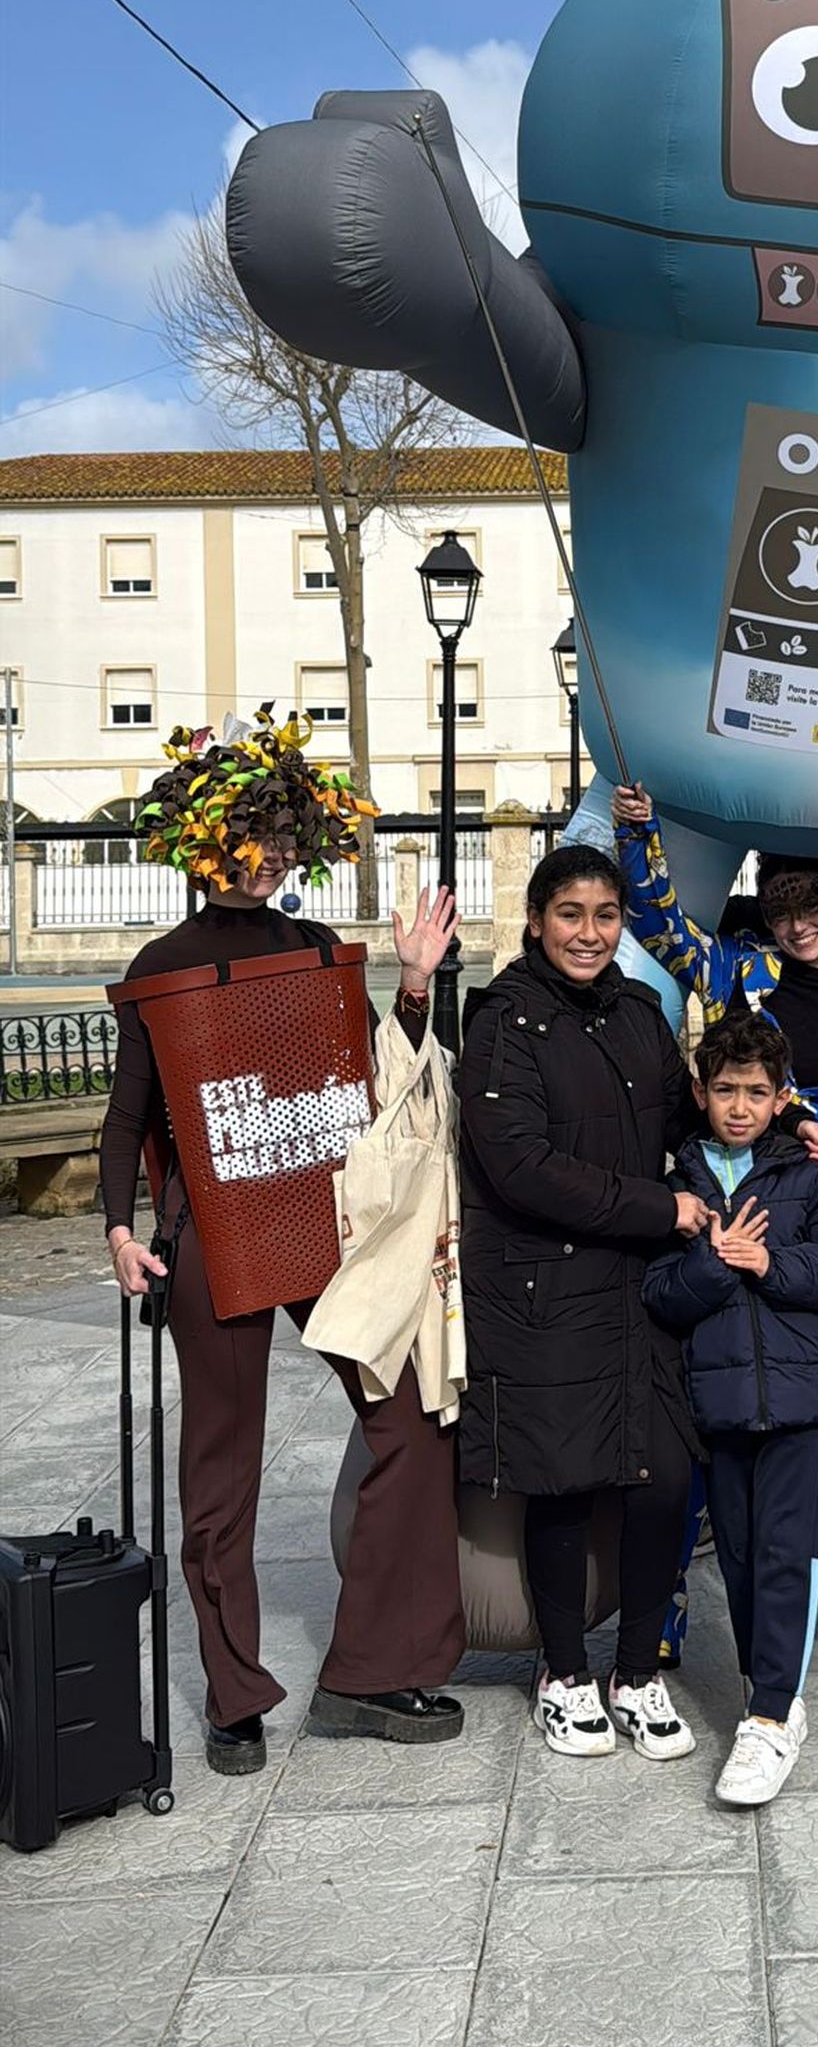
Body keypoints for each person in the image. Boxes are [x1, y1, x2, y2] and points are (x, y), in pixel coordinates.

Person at [101, 710, 466, 1774]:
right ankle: (233, 1693)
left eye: (275, 839)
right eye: (239, 841)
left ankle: (370, 1670)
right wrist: (120, 1229)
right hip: (212, 1233)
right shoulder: (160, 965)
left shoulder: (317, 953)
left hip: (324, 1222)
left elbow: (373, 1088)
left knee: (409, 1417)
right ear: (202, 843)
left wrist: (412, 983)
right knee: (221, 1473)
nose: (260, 861)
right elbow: (130, 1115)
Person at [613, 782, 818, 1685]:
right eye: (782, 909)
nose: (799, 924)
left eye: (813, 905)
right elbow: (661, 927)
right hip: (727, 1206)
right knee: (704, 1430)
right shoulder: (740, 969)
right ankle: (663, 1619)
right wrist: (641, 838)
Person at [455, 842, 706, 1760]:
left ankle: (637, 1671)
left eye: (605, 916)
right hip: (544, 1289)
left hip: (639, 1289)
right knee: (561, 1484)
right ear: (535, 920)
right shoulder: (505, 1023)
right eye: (571, 915)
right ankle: (564, 1673)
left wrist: (786, 1117)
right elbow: (521, 1167)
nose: (590, 933)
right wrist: (659, 1207)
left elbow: (684, 1115)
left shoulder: (642, 1011)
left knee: (662, 1482)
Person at [643, 1015, 818, 1804]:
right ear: (701, 1093)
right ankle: (761, 1688)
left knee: (789, 1555)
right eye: (724, 1091)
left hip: (803, 1403)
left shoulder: (809, 1178)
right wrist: (710, 1265)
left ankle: (773, 1718)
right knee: (739, 1554)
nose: (739, 1107)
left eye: (756, 1092)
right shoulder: (679, 1183)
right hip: (717, 1401)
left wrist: (771, 1262)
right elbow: (658, 1293)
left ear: (783, 1099)